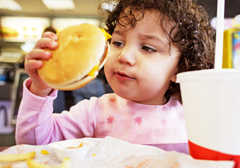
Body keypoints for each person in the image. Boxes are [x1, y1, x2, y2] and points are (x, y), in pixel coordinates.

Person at [15, 0, 215, 154]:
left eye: (147, 48)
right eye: (118, 42)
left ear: (179, 68)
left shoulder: (192, 117)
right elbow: (33, 145)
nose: (124, 56)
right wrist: (40, 89)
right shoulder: (95, 112)